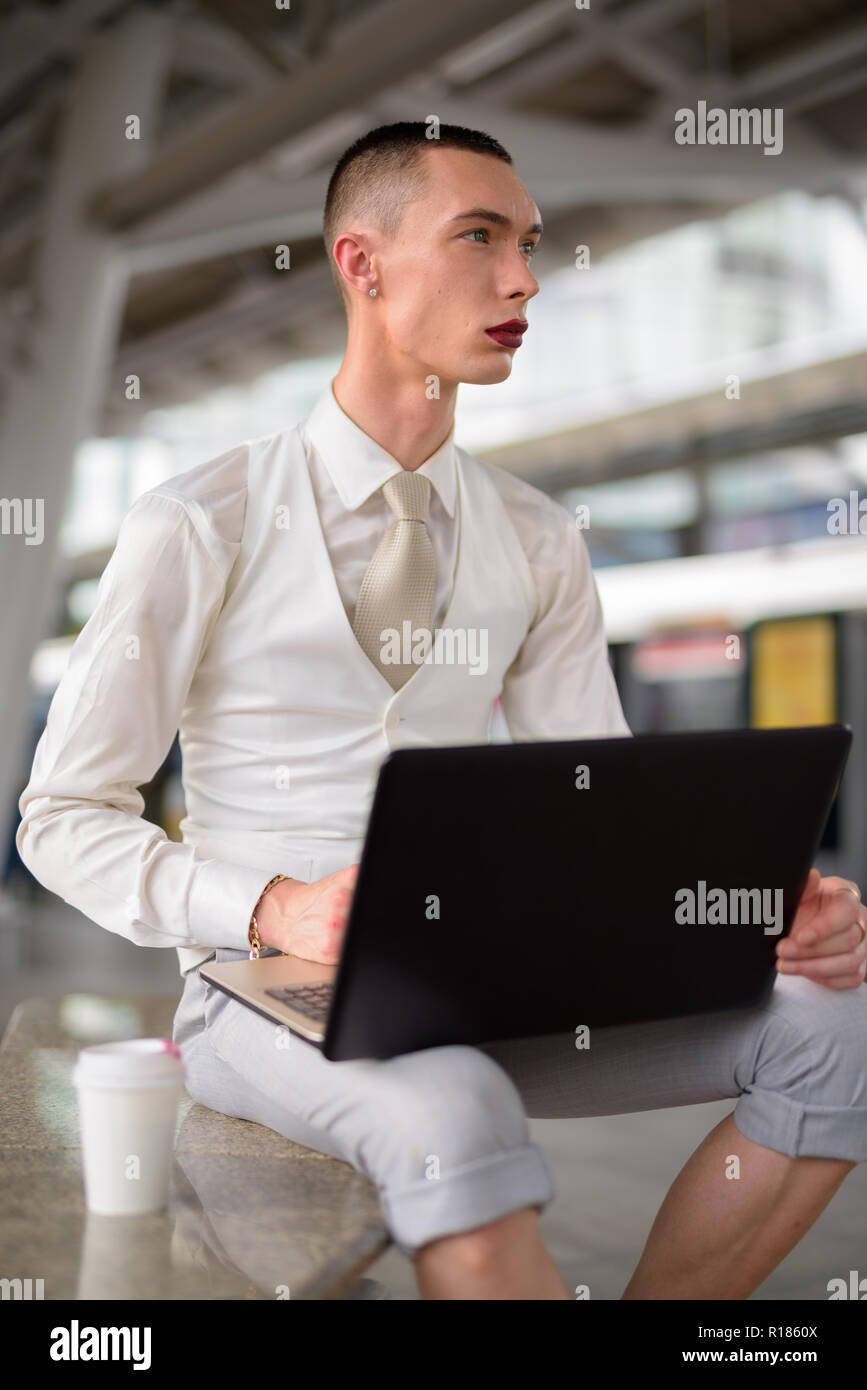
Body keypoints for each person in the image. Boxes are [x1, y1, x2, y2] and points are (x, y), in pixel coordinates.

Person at [17, 122, 867, 1301]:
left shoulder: (540, 538)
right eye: (478, 237)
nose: (523, 277)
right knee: (451, 1102)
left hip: (500, 972)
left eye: (527, 243)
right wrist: (265, 904)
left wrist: (749, 908)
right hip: (263, 995)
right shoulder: (197, 521)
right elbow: (59, 815)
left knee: (835, 1029)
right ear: (360, 265)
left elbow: (602, 805)